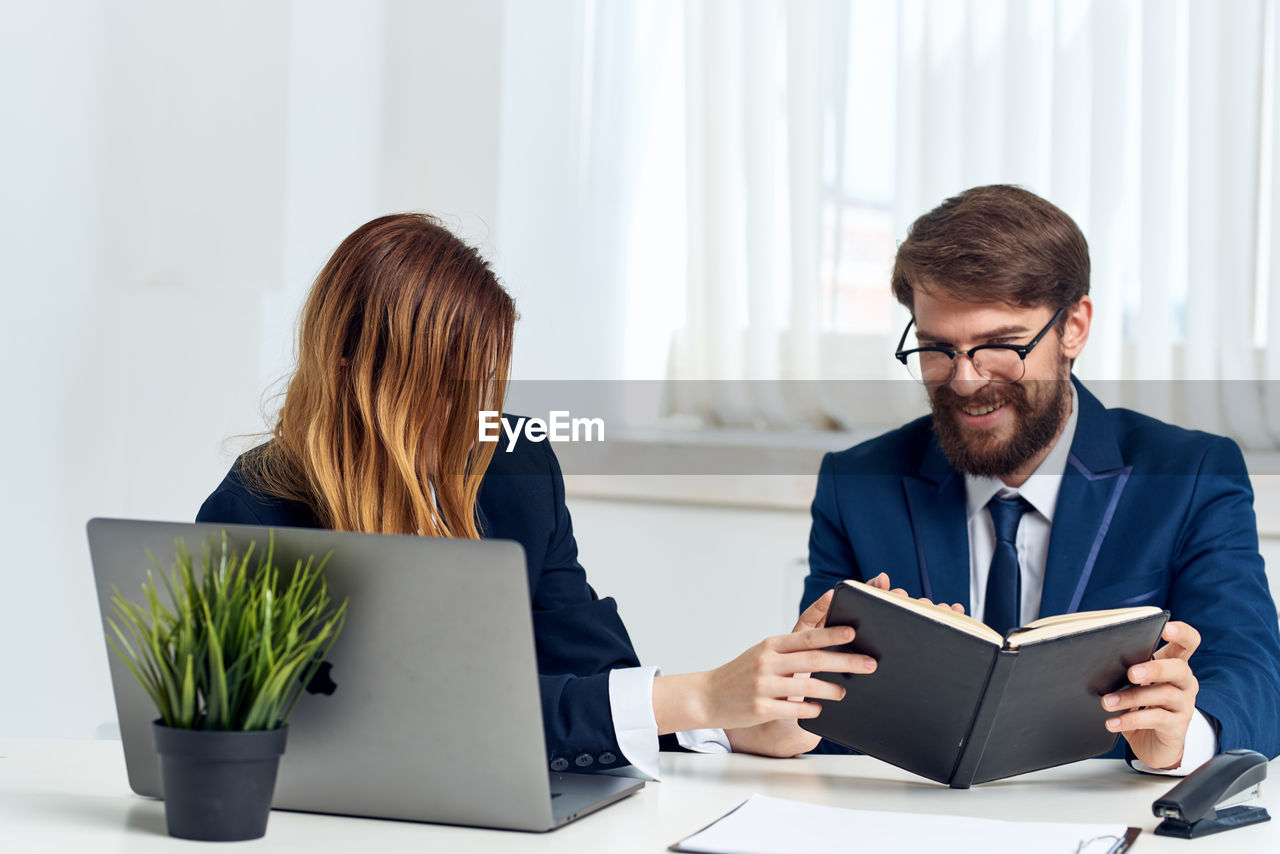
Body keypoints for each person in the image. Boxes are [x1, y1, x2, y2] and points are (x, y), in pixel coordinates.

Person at [196, 213, 872, 778]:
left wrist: (736, 723)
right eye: (439, 383)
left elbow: (596, 673)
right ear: (348, 368)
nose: (471, 413)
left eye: (484, 380)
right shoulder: (255, 510)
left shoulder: (511, 461)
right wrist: (696, 698)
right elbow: (411, 724)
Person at [796, 185, 1280, 772]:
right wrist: (795, 696)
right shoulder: (858, 485)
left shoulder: (1190, 476)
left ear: (1073, 326)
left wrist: (1181, 737)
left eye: (999, 345)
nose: (966, 381)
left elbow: (1255, 680)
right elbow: (817, 712)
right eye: (937, 348)